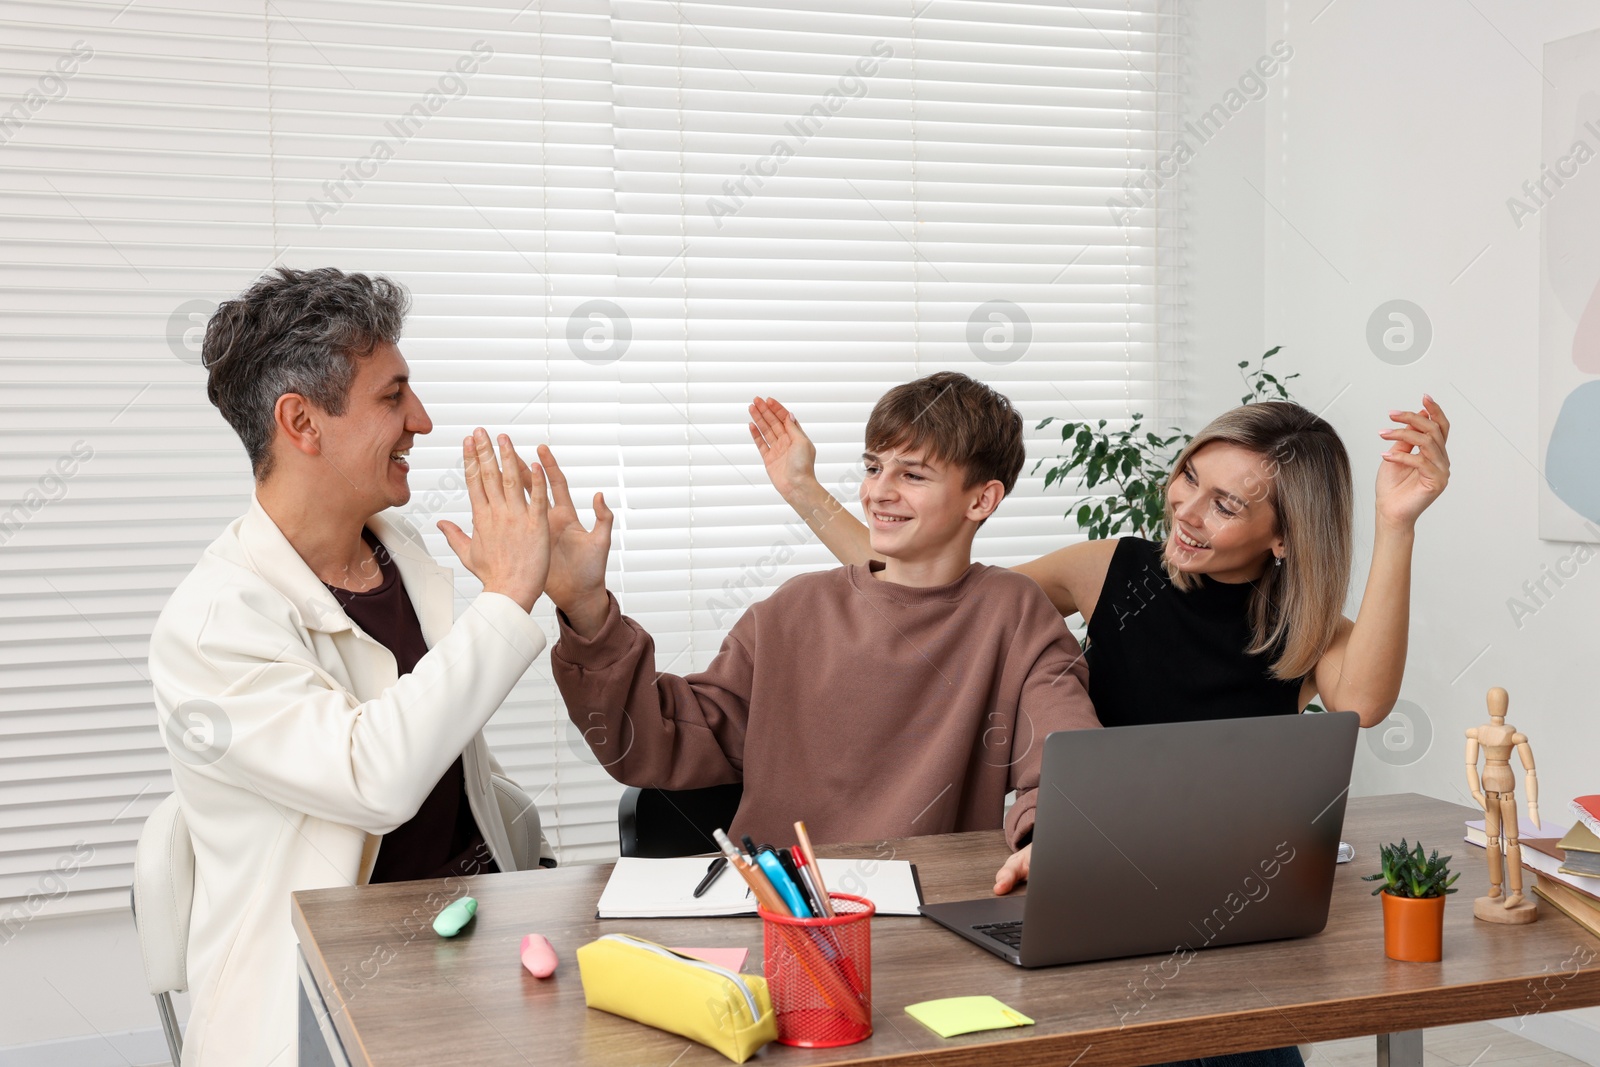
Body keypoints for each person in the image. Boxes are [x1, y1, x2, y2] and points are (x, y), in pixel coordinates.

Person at [749, 393, 1450, 1067]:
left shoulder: (1303, 632)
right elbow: (928, 588)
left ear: (1285, 537)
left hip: (1221, 909)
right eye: (1189, 476)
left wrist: (1398, 524)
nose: (1187, 510)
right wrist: (805, 490)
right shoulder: (1112, 568)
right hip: (1085, 881)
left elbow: (1364, 699)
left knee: (1220, 1031)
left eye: (1226, 504)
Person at [149, 268, 555, 1067]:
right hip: (320, 1003)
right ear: (302, 421)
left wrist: (568, 595)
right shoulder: (210, 626)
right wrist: (506, 599)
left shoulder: (402, 554)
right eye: (392, 396)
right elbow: (375, 778)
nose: (423, 420)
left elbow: (461, 774)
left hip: (468, 950)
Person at [543, 372, 1100, 883]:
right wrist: (588, 610)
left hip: (928, 906)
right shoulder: (794, 609)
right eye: (874, 466)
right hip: (778, 907)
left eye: (913, 474)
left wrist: (1054, 834)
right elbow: (656, 740)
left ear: (982, 499)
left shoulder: (1015, 613)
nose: (879, 491)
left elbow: (1069, 761)